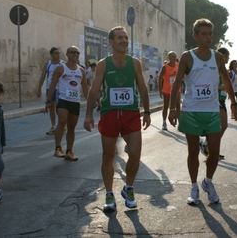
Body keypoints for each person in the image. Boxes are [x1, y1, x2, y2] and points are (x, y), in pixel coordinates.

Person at [168, 18, 237, 205]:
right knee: (193, 151)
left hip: (212, 111)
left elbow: (227, 80)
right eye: (203, 34)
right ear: (195, 36)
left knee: (214, 152)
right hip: (191, 111)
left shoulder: (217, 57)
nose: (208, 37)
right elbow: (176, 83)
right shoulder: (187, 57)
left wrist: (234, 104)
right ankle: (193, 187)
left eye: (210, 34)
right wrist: (173, 108)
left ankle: (208, 182)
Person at [84, 26, 151, 212]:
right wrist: (89, 114)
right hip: (109, 114)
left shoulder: (135, 63)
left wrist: (147, 112)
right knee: (108, 156)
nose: (124, 41)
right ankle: (109, 194)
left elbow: (143, 88)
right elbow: (94, 90)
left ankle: (128, 188)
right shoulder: (103, 64)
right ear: (111, 42)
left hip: (131, 114)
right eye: (120, 38)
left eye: (126, 38)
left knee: (135, 154)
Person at [45, 46, 88, 161]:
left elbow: (84, 87)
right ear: (67, 54)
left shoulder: (81, 70)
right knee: (62, 121)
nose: (75, 54)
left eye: (77, 53)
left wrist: (90, 101)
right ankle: (58, 148)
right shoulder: (60, 68)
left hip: (75, 101)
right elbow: (52, 85)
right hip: (63, 99)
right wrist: (48, 101)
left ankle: (69, 151)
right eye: (73, 52)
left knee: (72, 127)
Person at [199, 47, 231, 160]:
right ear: (222, 56)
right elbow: (208, 83)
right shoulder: (214, 68)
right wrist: (221, 87)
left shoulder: (224, 69)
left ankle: (211, 148)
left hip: (222, 99)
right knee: (222, 125)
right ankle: (207, 145)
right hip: (215, 99)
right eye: (227, 56)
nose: (228, 58)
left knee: (221, 126)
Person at [37, 47, 65, 135]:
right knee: (51, 107)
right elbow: (43, 76)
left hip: (60, 88)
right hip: (50, 87)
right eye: (56, 53)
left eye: (59, 53)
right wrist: (39, 89)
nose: (58, 54)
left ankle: (62, 125)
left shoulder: (62, 64)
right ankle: (53, 126)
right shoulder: (48, 64)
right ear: (51, 54)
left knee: (59, 108)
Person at [158, 51, 180, 131]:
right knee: (166, 106)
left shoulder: (178, 65)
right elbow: (160, 78)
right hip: (167, 90)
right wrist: (159, 89)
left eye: (175, 56)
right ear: (168, 58)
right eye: (172, 56)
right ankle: (164, 122)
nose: (174, 58)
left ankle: (180, 123)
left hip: (177, 89)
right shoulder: (165, 67)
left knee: (177, 105)